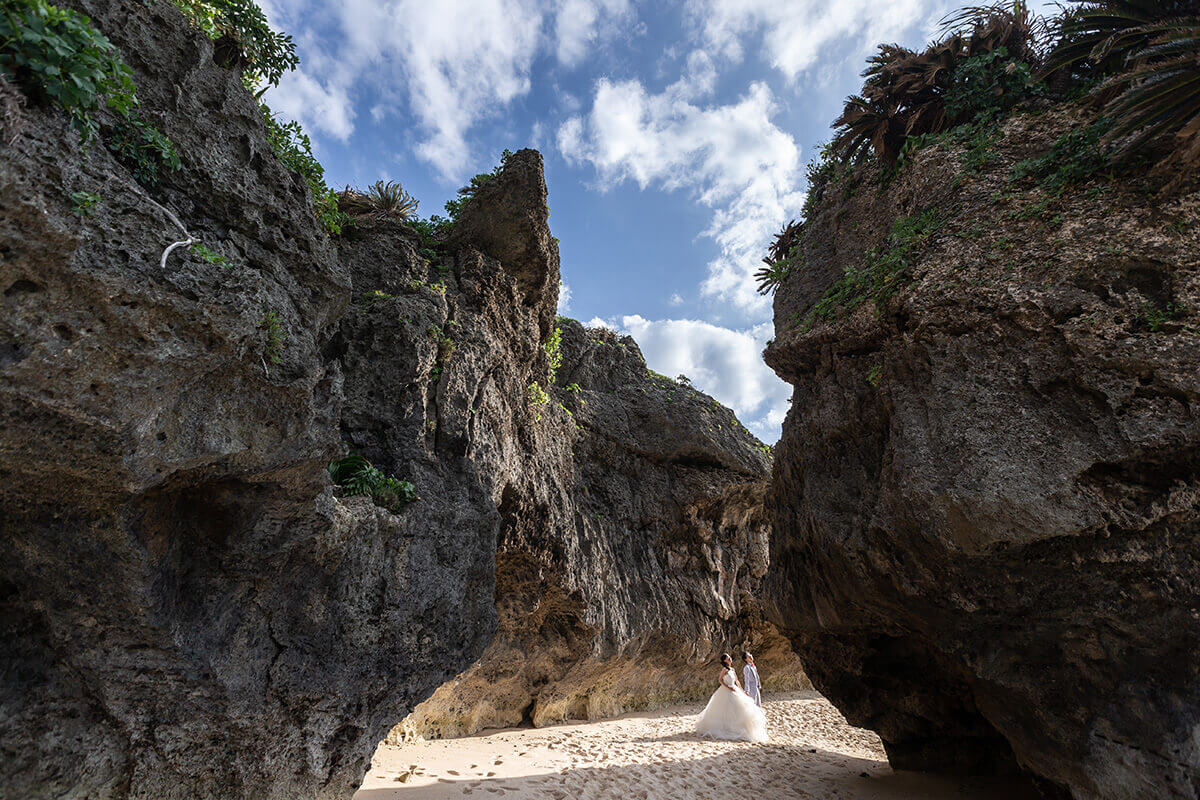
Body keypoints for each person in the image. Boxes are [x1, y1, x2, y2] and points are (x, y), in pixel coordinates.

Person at [694, 653, 768, 742]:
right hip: (726, 690)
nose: (730, 659)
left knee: (739, 708)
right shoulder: (725, 669)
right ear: (725, 660)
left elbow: (737, 681)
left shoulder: (732, 669)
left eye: (730, 657)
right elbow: (720, 680)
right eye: (728, 658)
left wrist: (742, 691)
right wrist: (728, 687)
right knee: (725, 709)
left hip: (734, 690)